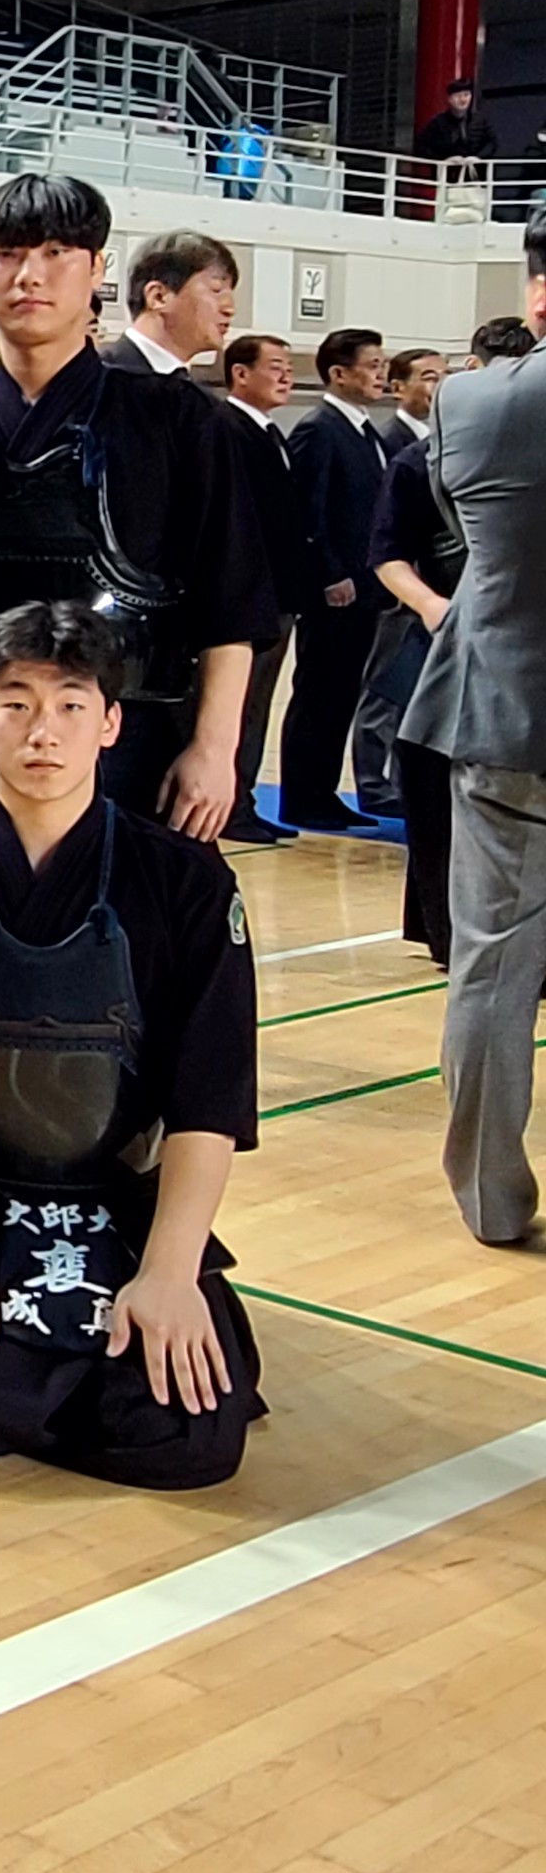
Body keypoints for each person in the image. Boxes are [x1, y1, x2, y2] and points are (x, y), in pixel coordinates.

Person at [0, 601, 261, 1490]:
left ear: (111, 724)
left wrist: (171, 1273)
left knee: (186, 1438)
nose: (44, 732)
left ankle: (68, 1368)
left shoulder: (185, 879)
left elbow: (209, 1098)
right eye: (17, 703)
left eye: (72, 705)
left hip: (118, 1206)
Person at [0, 172, 268, 836]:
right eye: (6, 254)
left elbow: (230, 600)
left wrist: (214, 749)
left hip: (129, 737)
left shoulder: (176, 418)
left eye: (56, 253)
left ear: (97, 270)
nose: (29, 275)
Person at [400, 238, 546, 1246]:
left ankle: (492, 1201)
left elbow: (463, 525)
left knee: (491, 971)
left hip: (504, 706)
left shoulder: (469, 401)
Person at [369, 338, 520, 972]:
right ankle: (447, 933)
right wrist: (434, 607)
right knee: (435, 792)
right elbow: (387, 554)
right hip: (442, 647)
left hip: (514, 649)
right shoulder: (418, 463)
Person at [278, 328, 394, 832]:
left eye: (382, 365)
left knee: (342, 692)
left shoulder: (365, 431)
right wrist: (329, 574)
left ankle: (322, 790)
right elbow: (309, 511)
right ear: (339, 373)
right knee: (318, 693)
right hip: (337, 589)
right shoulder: (320, 430)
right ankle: (302, 796)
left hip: (365, 587)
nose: (380, 375)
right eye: (372, 365)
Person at [216, 332, 320, 849]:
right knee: (240, 705)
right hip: (252, 596)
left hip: (279, 595)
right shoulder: (229, 429)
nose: (286, 376)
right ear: (240, 374)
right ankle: (230, 802)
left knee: (258, 704)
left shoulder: (269, 431)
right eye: (275, 366)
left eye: (288, 367)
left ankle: (245, 797)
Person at [349, 349, 451, 819]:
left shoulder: (444, 443)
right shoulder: (398, 446)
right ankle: (373, 782)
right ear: (399, 387)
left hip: (429, 588)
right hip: (401, 588)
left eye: (443, 376)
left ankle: (396, 781)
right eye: (428, 377)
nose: (438, 386)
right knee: (386, 689)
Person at [104, 231, 236, 379]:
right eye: (216, 290)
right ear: (158, 297)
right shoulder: (98, 381)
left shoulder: (192, 388)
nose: (230, 309)